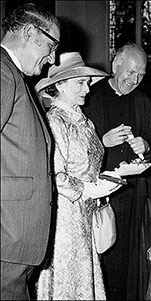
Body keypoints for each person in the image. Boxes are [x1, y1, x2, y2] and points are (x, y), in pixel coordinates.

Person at [34, 52, 123, 300]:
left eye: (87, 83)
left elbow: (88, 165)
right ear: (59, 85)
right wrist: (86, 189)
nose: (88, 89)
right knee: (68, 280)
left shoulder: (84, 121)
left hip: (85, 214)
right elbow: (54, 174)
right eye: (80, 83)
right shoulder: (55, 122)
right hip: (64, 218)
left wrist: (106, 178)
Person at [83, 42, 151, 301]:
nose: (134, 80)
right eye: (130, 72)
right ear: (116, 65)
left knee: (132, 265)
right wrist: (102, 141)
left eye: (140, 75)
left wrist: (146, 145)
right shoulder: (91, 97)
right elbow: (74, 151)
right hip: (103, 197)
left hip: (135, 196)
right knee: (103, 260)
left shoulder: (142, 101)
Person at [0, 3, 60, 300]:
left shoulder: (13, 75)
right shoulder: (2, 71)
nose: (53, 58)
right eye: (51, 46)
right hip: (7, 237)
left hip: (15, 237)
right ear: (29, 33)